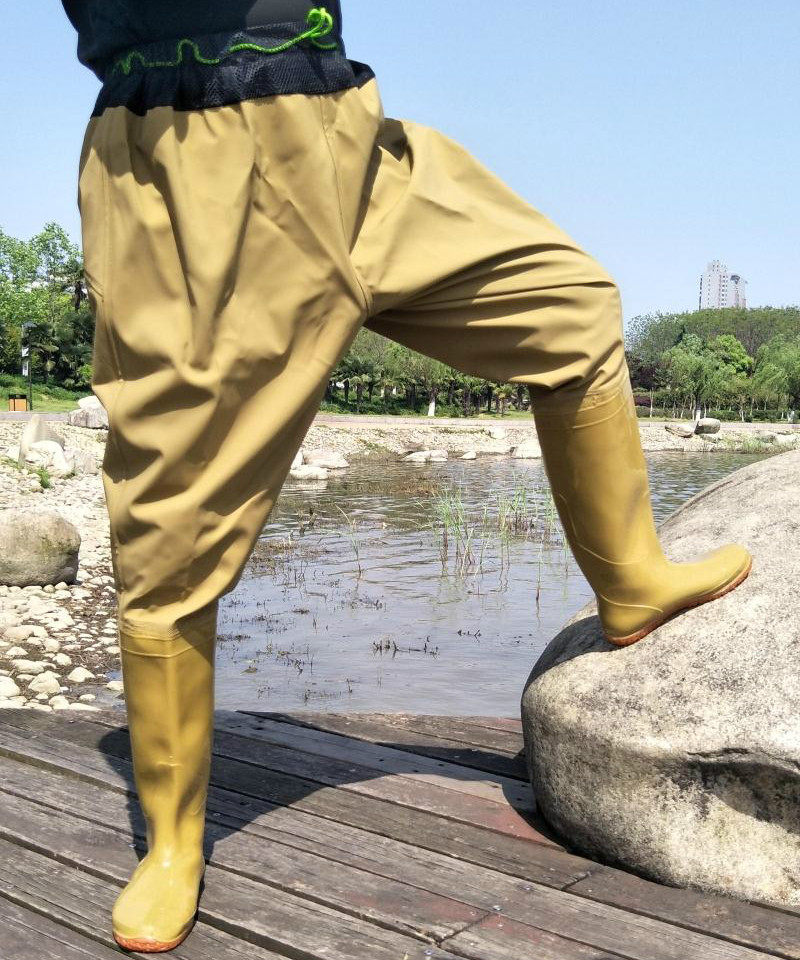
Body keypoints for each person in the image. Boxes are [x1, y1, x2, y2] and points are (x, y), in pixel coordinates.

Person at [60, 0, 752, 951]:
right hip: (192, 169)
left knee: (571, 308)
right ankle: (173, 846)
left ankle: (629, 578)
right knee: (170, 541)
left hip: (348, 133)